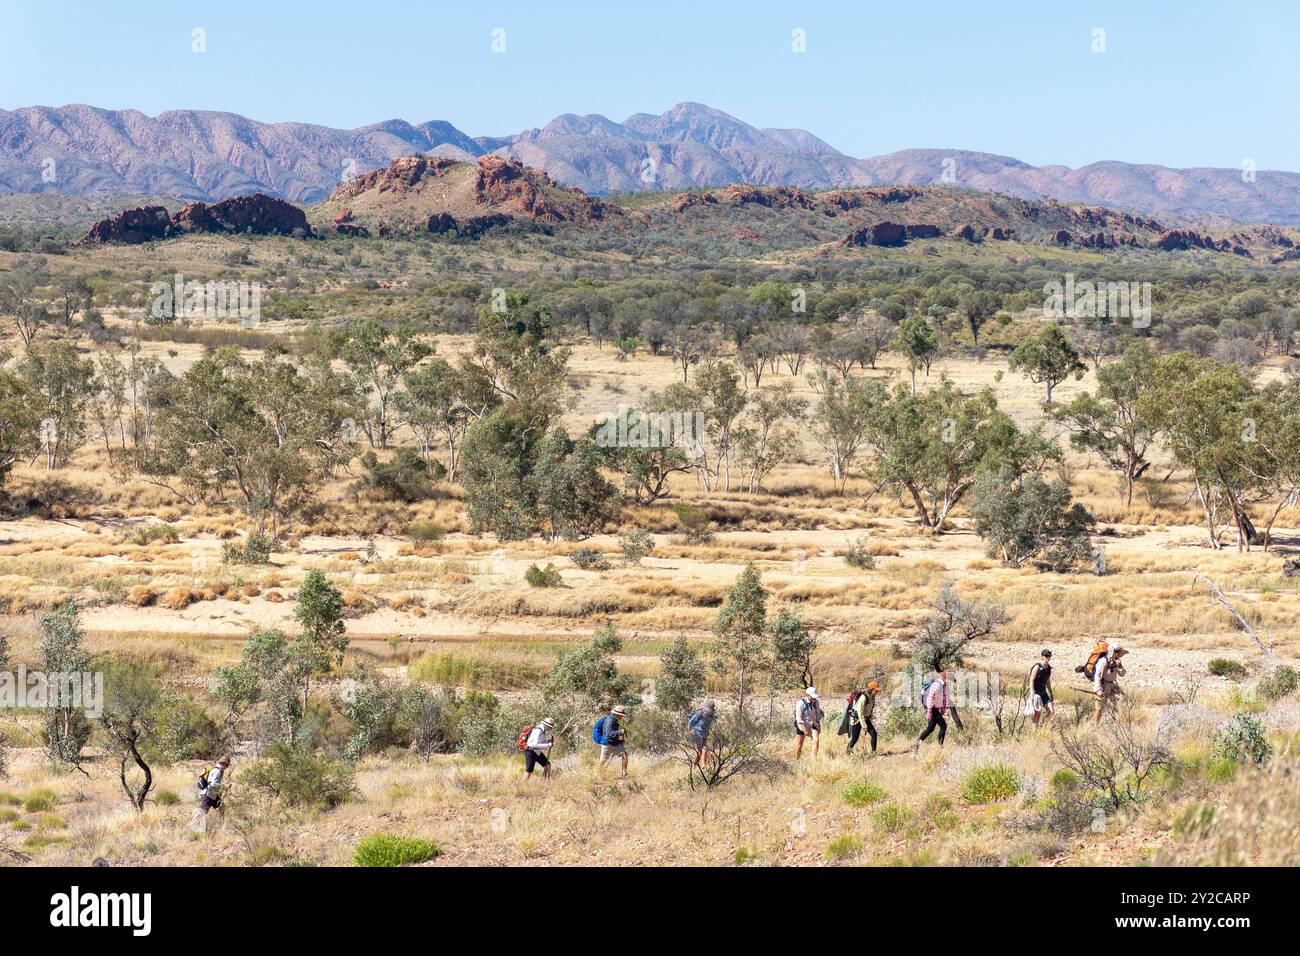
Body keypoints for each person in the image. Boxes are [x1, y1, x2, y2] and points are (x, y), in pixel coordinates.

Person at [192, 755, 230, 833]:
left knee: (222, 806)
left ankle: (221, 825)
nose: (227, 766)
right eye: (227, 764)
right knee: (202, 812)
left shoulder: (219, 770)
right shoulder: (217, 771)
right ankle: (191, 825)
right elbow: (212, 784)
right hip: (208, 794)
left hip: (213, 794)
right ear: (223, 763)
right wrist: (224, 786)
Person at [915, 671, 951, 749]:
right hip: (932, 708)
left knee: (930, 728)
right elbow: (930, 698)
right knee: (943, 726)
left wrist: (943, 708)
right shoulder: (937, 685)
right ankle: (940, 746)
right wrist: (929, 711)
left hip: (934, 708)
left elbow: (945, 697)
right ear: (944, 677)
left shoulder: (943, 685)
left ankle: (917, 743)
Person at [1093, 646, 1127, 722]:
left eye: (1118, 652)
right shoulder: (1103, 661)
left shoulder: (1117, 661)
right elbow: (1097, 675)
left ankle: (1113, 721)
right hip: (1103, 685)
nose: (1118, 654)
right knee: (1099, 707)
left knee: (1119, 700)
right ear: (1112, 652)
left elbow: (1123, 673)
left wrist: (1119, 666)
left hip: (1112, 685)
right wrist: (1098, 690)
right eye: (1116, 652)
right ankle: (1095, 725)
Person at [847, 680, 880, 755]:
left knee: (874, 734)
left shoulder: (872, 697)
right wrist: (864, 725)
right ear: (872, 689)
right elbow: (860, 712)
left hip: (865, 718)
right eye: (876, 690)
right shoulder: (863, 697)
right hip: (857, 719)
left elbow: (870, 709)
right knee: (855, 738)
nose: (877, 692)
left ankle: (873, 753)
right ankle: (848, 752)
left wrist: (870, 717)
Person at [597, 705, 629, 777]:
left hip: (615, 743)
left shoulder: (615, 720)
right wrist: (620, 732)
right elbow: (609, 734)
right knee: (602, 761)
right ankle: (599, 775)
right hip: (607, 744)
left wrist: (620, 740)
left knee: (625, 755)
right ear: (616, 714)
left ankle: (624, 773)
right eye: (621, 715)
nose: (622, 717)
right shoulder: (609, 721)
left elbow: (614, 733)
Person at [794, 687, 822, 759]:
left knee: (816, 740)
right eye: (812, 696)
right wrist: (805, 730)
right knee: (799, 745)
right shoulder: (800, 703)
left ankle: (813, 759)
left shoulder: (816, 702)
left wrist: (819, 726)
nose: (813, 698)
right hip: (802, 725)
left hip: (813, 724)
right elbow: (799, 719)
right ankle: (797, 758)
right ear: (807, 695)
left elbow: (818, 714)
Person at [686, 700, 716, 766]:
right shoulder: (700, 712)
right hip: (696, 733)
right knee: (704, 749)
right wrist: (689, 733)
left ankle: (694, 766)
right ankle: (703, 766)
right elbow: (690, 722)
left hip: (704, 734)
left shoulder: (711, 715)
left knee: (699, 752)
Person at [1028, 650, 1054, 726]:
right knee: (1037, 715)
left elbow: (1048, 681)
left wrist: (1051, 693)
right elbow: (1031, 680)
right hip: (1036, 693)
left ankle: (1049, 730)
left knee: (1051, 711)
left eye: (1049, 656)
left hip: (1044, 693)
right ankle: (1034, 734)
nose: (1048, 658)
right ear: (1042, 656)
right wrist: (1032, 693)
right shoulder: (1037, 667)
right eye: (1046, 656)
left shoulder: (1048, 668)